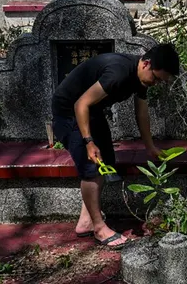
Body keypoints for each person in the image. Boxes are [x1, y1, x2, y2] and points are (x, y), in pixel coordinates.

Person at [51, 44, 180, 249]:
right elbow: (80, 104)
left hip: (92, 110)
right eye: (156, 78)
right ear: (146, 64)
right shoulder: (118, 73)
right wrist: (88, 142)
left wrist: (150, 147)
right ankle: (99, 228)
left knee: (106, 162)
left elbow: (142, 113)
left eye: (161, 82)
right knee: (91, 167)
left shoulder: (141, 77)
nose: (156, 83)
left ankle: (86, 221)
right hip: (69, 110)